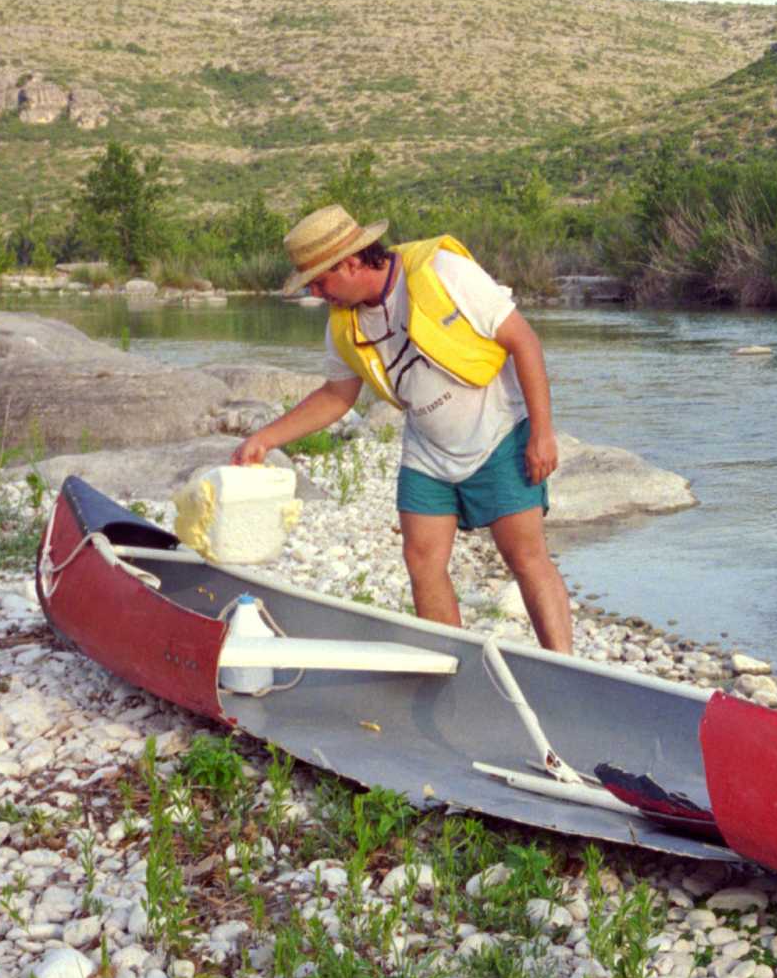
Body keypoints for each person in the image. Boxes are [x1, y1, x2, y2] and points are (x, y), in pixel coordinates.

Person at [232, 205, 574, 652]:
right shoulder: (344, 325)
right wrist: (264, 438)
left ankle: (565, 668)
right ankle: (455, 670)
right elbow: (337, 396)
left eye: (320, 280)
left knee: (525, 558)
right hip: (427, 452)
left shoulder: (443, 271)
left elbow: (523, 341)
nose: (316, 293)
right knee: (421, 561)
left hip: (498, 434)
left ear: (351, 262)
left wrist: (542, 433)